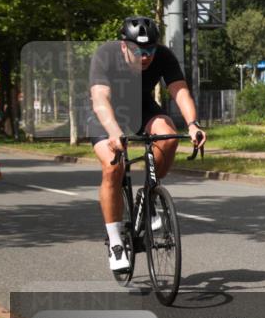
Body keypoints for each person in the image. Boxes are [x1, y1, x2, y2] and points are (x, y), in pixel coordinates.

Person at [86, 17, 206, 271]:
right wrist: (114, 132)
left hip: (142, 109)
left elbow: (180, 91)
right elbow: (99, 98)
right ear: (123, 46)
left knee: (170, 137)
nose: (145, 57)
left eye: (149, 50)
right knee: (112, 167)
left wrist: (193, 124)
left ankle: (149, 194)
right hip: (107, 114)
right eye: (137, 51)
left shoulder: (163, 55)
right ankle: (116, 242)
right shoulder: (105, 55)